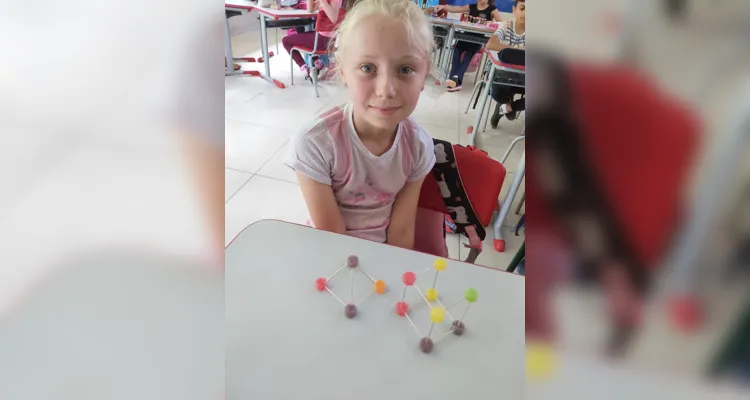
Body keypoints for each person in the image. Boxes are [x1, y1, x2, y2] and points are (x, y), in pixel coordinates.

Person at [284, 0, 436, 250]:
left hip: (383, 260)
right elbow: (332, 238)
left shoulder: (419, 146)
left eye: (406, 69)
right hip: (330, 255)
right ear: (342, 69)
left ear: (424, 72)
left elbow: (401, 231)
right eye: (368, 68)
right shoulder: (316, 142)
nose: (386, 90)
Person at [430, 0, 502, 92]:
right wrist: (443, 6)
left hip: (478, 40)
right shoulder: (472, 7)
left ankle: (456, 80)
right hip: (465, 37)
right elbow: (455, 9)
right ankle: (453, 80)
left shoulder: (492, 9)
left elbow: (501, 23)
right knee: (456, 50)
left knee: (468, 55)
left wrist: (489, 23)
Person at [281, 0, 354, 79]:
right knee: (305, 37)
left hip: (323, 41)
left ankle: (305, 68)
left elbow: (333, 18)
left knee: (286, 41)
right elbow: (310, 9)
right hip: (325, 39)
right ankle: (317, 62)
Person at [486, 0, 525, 128]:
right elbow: (491, 44)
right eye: (522, 8)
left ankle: (509, 107)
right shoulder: (506, 26)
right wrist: (519, 50)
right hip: (501, 76)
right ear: (514, 9)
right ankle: (504, 103)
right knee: (498, 91)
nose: (526, 13)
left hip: (524, 78)